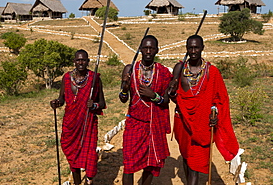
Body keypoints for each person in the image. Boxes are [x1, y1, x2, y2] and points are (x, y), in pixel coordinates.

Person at [168, 34, 239, 185]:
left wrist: (216, 114)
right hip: (182, 122)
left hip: (202, 124)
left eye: (196, 47)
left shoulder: (212, 72)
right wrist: (172, 90)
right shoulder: (179, 69)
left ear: (202, 48)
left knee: (195, 161)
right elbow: (173, 96)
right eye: (190, 48)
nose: (193, 51)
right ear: (186, 49)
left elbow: (221, 100)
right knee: (186, 158)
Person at [119, 35, 172, 185]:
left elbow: (166, 101)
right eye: (145, 48)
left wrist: (153, 96)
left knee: (151, 164)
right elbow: (123, 98)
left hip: (154, 126)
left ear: (157, 50)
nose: (148, 51)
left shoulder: (163, 72)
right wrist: (124, 88)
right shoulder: (130, 69)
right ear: (140, 49)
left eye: (152, 48)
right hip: (134, 124)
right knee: (128, 165)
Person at [50, 49, 106, 185]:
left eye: (83, 60)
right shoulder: (67, 78)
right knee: (72, 156)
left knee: (91, 157)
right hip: (71, 124)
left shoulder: (94, 79)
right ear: (74, 61)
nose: (81, 62)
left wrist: (94, 105)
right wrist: (56, 103)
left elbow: (102, 103)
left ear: (88, 62)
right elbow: (62, 99)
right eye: (78, 60)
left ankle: (89, 179)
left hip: (88, 124)